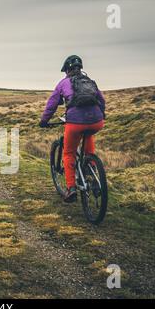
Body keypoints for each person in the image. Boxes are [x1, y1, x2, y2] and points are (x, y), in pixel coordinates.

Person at [40, 55, 105, 203]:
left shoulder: (63, 83)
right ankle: (92, 172)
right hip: (96, 121)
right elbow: (102, 100)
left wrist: (44, 121)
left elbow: (52, 104)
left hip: (75, 122)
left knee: (68, 152)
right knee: (88, 139)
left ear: (67, 70)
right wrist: (101, 115)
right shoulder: (90, 82)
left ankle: (71, 188)